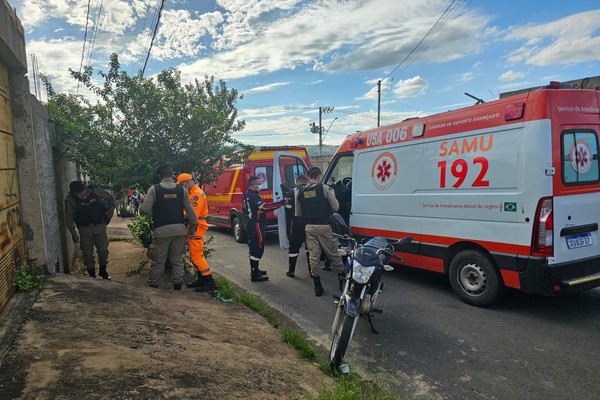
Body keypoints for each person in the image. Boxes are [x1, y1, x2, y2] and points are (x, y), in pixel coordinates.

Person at [140, 165, 197, 290]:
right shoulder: (182, 190)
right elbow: (191, 212)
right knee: (177, 260)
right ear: (172, 175)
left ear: (160, 176)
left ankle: (153, 286)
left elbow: (145, 210)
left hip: (161, 231)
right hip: (180, 230)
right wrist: (192, 228)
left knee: (158, 261)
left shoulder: (154, 189)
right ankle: (177, 287)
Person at [296, 167, 345, 296]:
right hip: (324, 227)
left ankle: (317, 287)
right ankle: (342, 282)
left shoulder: (300, 192)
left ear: (308, 177)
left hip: (309, 227)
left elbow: (299, 212)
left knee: (314, 256)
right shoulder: (324, 188)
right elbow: (335, 207)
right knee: (334, 253)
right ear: (318, 177)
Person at [65, 180, 116, 279]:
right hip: (84, 228)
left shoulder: (96, 191)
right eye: (76, 194)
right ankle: (92, 274)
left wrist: (110, 214)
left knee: (103, 250)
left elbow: (111, 199)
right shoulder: (71, 199)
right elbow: (69, 217)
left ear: (85, 189)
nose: (79, 196)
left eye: (81, 193)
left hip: (99, 226)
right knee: (87, 253)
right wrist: (73, 232)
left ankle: (103, 271)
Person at [176, 173, 217, 292]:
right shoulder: (192, 192)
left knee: (196, 256)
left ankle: (210, 282)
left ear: (187, 183)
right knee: (195, 255)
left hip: (196, 228)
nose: (181, 188)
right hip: (195, 227)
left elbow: (193, 214)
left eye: (182, 186)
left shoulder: (196, 195)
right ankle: (202, 279)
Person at [243, 176, 286, 282]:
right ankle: (255, 274)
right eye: (258, 184)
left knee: (255, 246)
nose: (260, 186)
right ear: (252, 185)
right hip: (256, 224)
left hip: (253, 223)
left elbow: (244, 209)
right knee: (257, 247)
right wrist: (281, 203)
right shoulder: (253, 196)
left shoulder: (247, 195)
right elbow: (265, 207)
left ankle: (255, 269)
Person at [285, 174, 309, 278]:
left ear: (297, 182)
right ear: (306, 181)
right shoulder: (311, 190)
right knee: (311, 247)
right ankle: (312, 271)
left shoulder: (292, 192)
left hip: (297, 222)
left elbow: (288, 209)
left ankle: (291, 271)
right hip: (310, 221)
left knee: (294, 246)